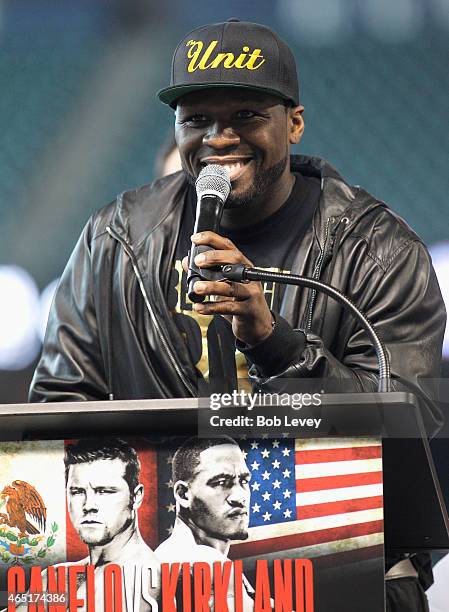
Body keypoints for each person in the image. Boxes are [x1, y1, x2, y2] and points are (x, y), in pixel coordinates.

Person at [29, 18, 445, 611]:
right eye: (197, 119)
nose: (219, 138)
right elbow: (58, 416)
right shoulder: (116, 239)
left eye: (246, 116)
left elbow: (413, 442)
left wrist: (275, 343)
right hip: (170, 583)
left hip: (344, 577)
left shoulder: (378, 253)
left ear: (294, 122)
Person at [155, 436, 255, 610]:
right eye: (222, 483)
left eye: (244, 481)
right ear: (183, 494)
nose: (240, 497)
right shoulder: (204, 561)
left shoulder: (172, 555)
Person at [63, 439, 160, 610]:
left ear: (136, 497)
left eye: (104, 491)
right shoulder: (55, 577)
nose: (89, 505)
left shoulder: (144, 578)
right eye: (77, 492)